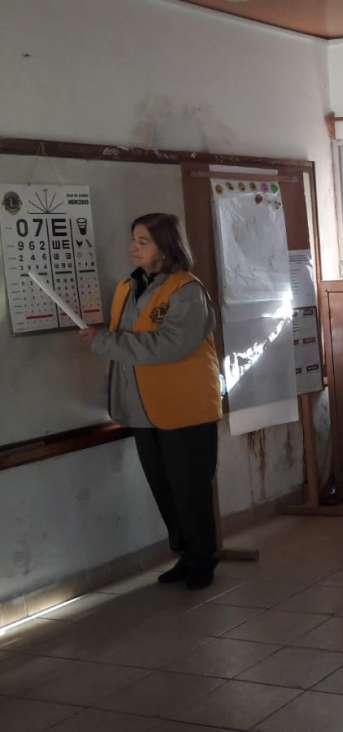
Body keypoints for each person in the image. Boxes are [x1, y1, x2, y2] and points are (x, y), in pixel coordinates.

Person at [80, 213, 222, 590]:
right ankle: (186, 554)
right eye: (134, 240)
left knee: (190, 489)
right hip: (142, 408)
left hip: (185, 408)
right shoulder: (128, 286)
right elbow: (128, 336)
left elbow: (169, 345)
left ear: (166, 246)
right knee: (164, 487)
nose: (133, 248)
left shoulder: (187, 290)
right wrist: (103, 339)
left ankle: (203, 560)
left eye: (143, 241)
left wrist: (105, 342)